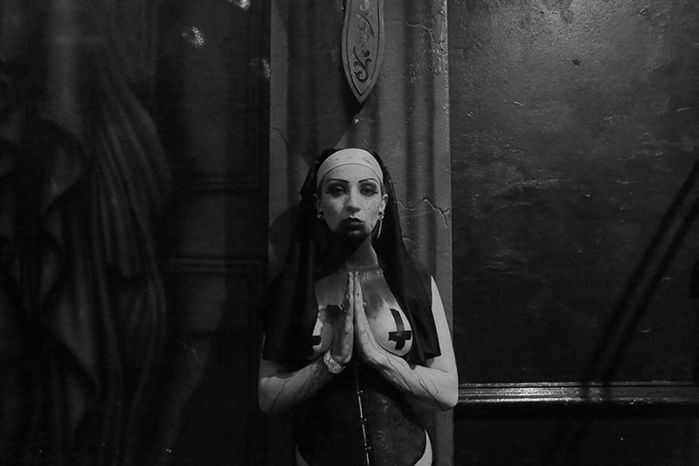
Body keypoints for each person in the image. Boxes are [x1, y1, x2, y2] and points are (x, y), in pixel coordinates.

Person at [258, 148, 458, 466]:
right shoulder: (293, 289)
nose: (353, 204)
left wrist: (379, 359)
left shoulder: (414, 283)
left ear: (382, 205)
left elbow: (448, 392)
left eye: (367, 190)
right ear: (318, 205)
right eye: (337, 190)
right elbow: (268, 395)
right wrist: (331, 362)